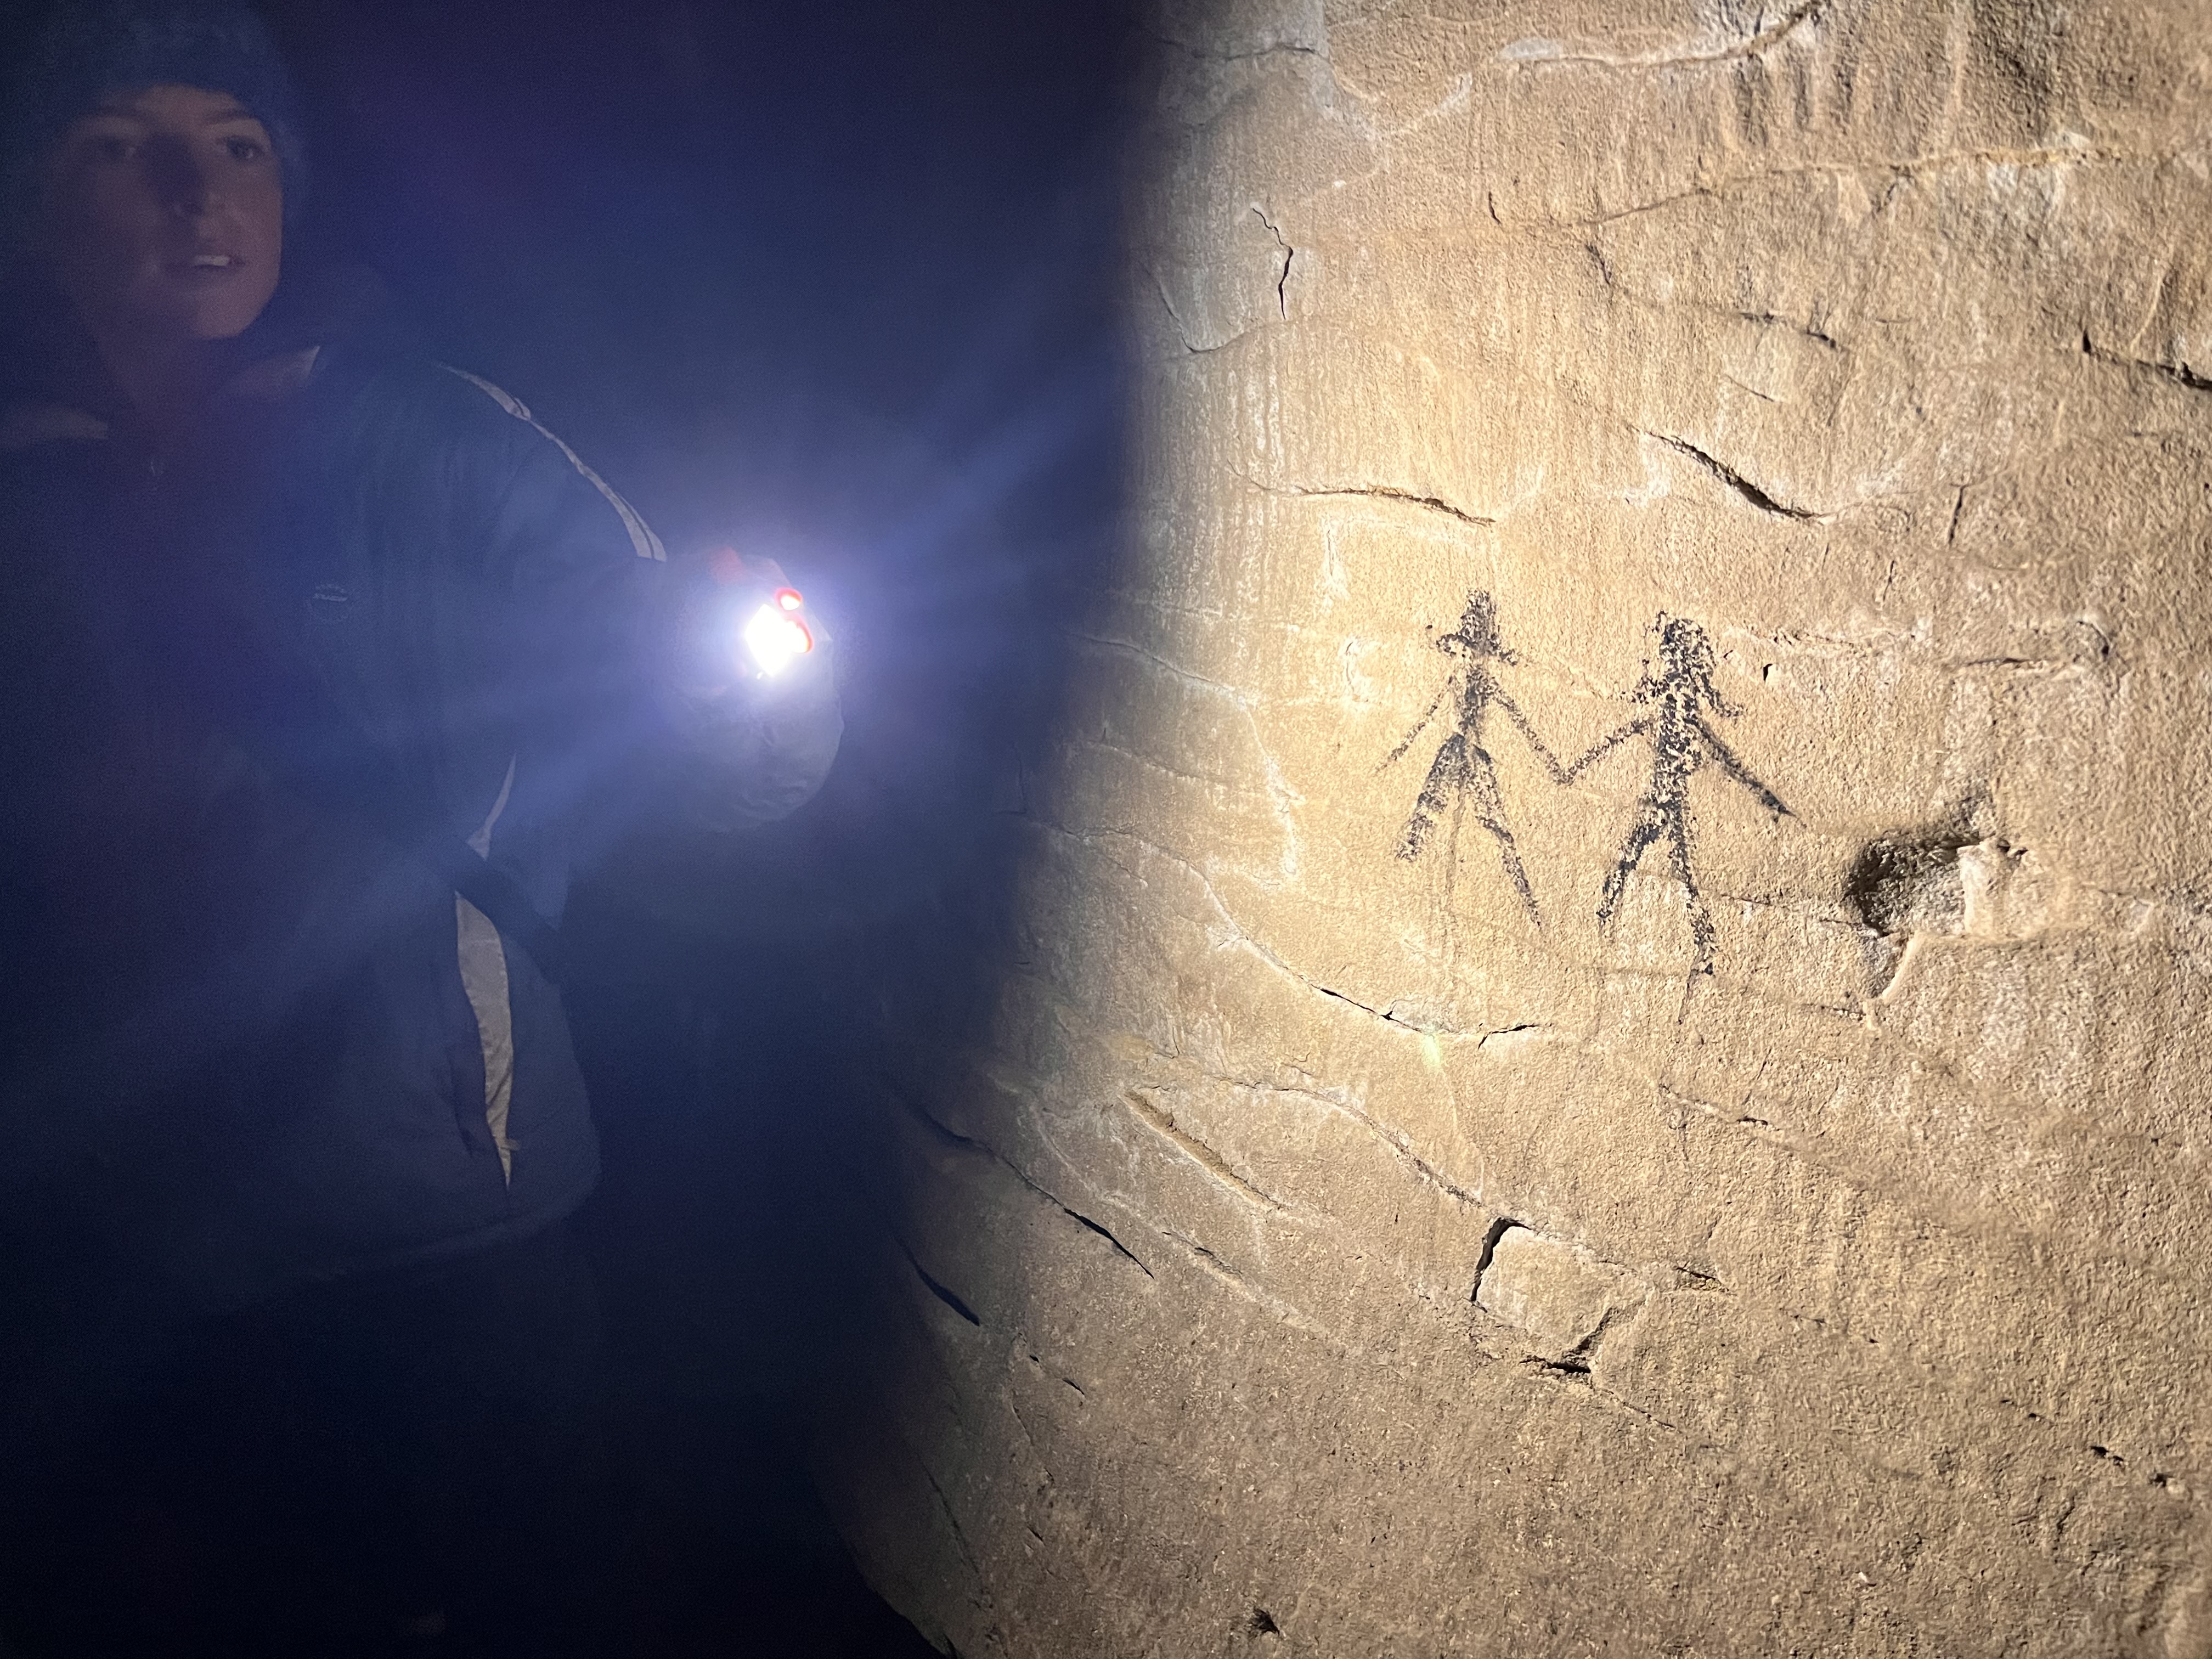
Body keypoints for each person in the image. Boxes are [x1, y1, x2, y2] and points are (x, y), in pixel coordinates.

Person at [0, 1, 842, 1652]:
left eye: (237, 145)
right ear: (35, 199)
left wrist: (738, 673)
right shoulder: (26, 493)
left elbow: (731, 757)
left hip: (441, 1227)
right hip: (112, 1258)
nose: (195, 193)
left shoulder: (434, 440)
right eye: (120, 147)